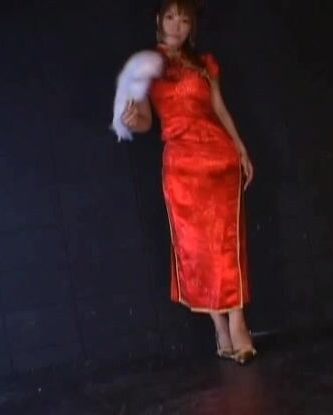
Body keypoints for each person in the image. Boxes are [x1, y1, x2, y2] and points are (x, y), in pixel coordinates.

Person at [121, 0, 256, 364]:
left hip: (219, 158)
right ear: (158, 20)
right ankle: (220, 328)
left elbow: (219, 109)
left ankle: (239, 324)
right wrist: (132, 121)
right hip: (181, 166)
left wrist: (241, 149)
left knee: (228, 244)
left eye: (184, 19)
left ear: (192, 25)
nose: (177, 25)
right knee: (196, 249)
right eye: (170, 17)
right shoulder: (147, 65)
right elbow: (146, 120)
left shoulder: (204, 63)